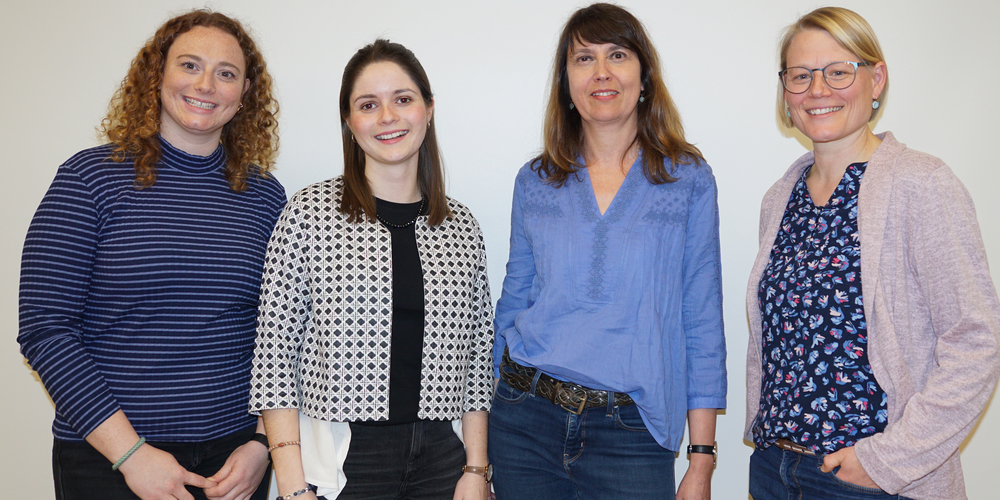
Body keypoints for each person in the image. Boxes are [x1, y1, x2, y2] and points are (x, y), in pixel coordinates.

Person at [17, 9, 284, 500]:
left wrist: (263, 445)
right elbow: (45, 328)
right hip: (110, 461)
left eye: (226, 73)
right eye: (189, 65)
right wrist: (131, 455)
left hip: (234, 463)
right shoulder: (89, 180)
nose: (206, 84)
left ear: (244, 94)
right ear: (157, 73)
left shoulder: (265, 196)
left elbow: (284, 332)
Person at [745, 7, 1000, 500]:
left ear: (875, 78)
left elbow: (976, 342)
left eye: (838, 72)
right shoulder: (780, 198)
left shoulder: (922, 183)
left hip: (873, 481)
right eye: (800, 76)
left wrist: (887, 461)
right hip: (776, 471)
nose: (817, 90)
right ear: (785, 92)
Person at [489, 4, 727, 499]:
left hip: (634, 432)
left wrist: (701, 460)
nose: (601, 72)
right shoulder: (535, 181)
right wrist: (482, 448)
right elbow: (513, 302)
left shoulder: (687, 180)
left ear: (644, 75)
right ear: (566, 83)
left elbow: (700, 317)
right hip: (524, 419)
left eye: (617, 54)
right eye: (583, 58)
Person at [249, 39, 493, 500]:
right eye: (368, 104)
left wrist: (476, 470)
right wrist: (293, 486)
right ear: (348, 120)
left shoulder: (460, 226)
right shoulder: (308, 214)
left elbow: (478, 360)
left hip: (443, 459)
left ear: (428, 108)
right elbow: (274, 356)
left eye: (403, 99)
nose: (388, 117)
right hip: (343, 458)